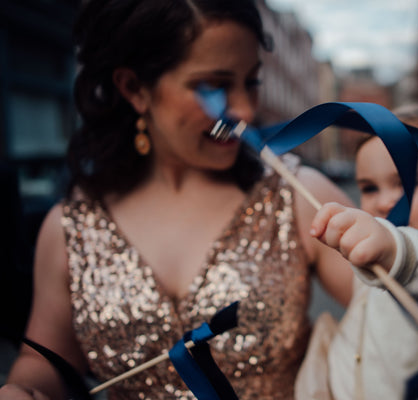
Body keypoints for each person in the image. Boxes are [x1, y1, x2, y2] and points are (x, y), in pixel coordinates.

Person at [0, 1, 355, 399]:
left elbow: (396, 319)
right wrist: (25, 389)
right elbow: (45, 360)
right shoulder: (70, 227)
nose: (243, 110)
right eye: (215, 86)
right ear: (134, 88)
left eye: (252, 81)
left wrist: (414, 251)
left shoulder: (299, 198)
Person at [295, 104, 418, 400]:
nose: (385, 202)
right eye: (369, 188)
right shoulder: (375, 256)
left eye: (404, 183)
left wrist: (397, 250)